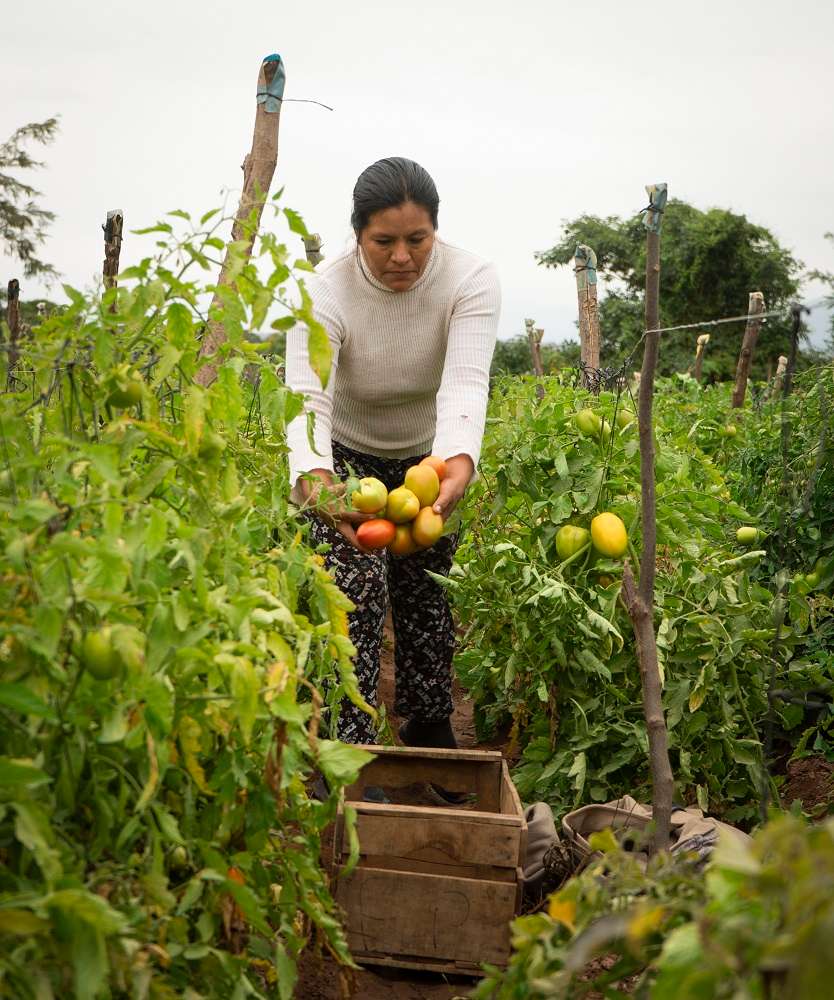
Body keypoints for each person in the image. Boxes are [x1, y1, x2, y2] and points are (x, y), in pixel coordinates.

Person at [285, 156, 500, 757]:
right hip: (344, 460)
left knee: (427, 586)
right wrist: (319, 485)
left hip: (424, 459)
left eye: (417, 239)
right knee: (351, 586)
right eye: (384, 242)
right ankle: (348, 745)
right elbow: (306, 400)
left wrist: (455, 461)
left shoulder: (470, 279)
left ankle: (429, 725)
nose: (402, 256)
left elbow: (464, 382)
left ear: (436, 230)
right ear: (357, 235)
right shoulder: (322, 292)